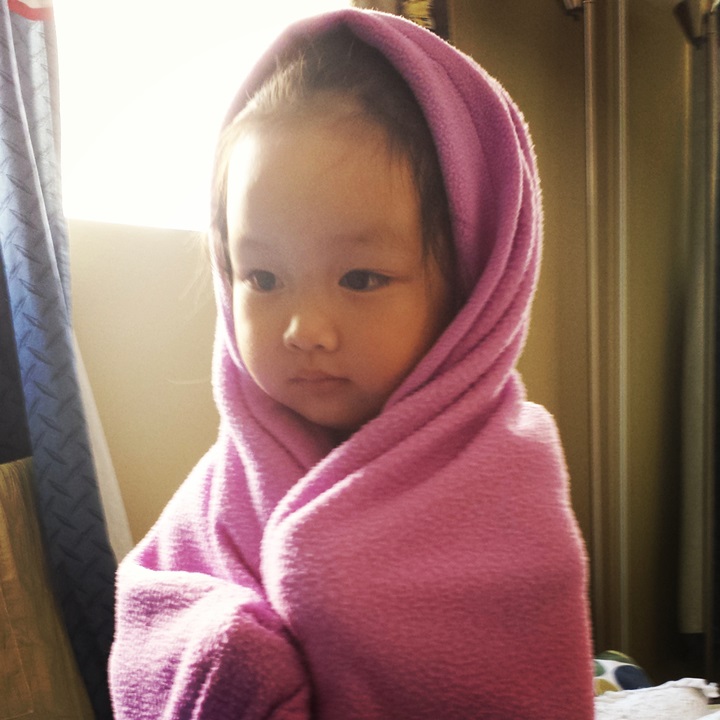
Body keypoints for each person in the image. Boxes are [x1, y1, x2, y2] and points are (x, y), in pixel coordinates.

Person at [108, 8, 594, 719]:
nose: (304, 329)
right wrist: (223, 661)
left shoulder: (507, 486)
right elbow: (151, 616)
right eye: (263, 278)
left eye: (361, 278)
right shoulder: (226, 481)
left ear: (469, 288)